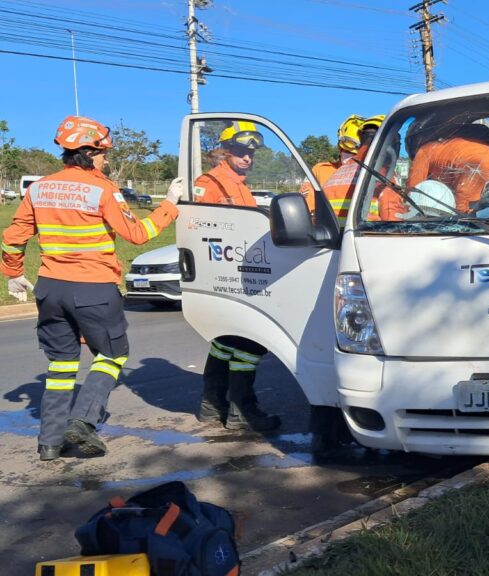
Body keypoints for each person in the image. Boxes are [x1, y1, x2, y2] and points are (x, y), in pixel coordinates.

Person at [0, 115, 182, 460]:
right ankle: (82, 422)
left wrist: (13, 273)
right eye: (103, 154)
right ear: (88, 152)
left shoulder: (38, 188)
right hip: (94, 288)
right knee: (112, 356)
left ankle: (50, 443)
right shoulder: (103, 190)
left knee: (61, 365)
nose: (106, 160)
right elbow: (138, 234)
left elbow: (14, 238)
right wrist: (170, 203)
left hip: (50, 289)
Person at [193, 121, 280, 432]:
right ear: (226, 151)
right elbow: (202, 229)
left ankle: (211, 403)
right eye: (242, 152)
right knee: (249, 343)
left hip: (236, 271)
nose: (248, 158)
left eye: (251, 154)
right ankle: (242, 409)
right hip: (227, 273)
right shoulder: (211, 183)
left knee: (225, 341)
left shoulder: (239, 185)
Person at [406, 122, 489, 213]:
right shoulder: (449, 144)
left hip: (475, 167)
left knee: (464, 214)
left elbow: (413, 192)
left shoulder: (424, 151)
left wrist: (405, 211)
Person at [321, 114, 384, 219]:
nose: (349, 156)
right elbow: (393, 215)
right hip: (367, 233)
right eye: (346, 151)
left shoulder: (335, 176)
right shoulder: (383, 174)